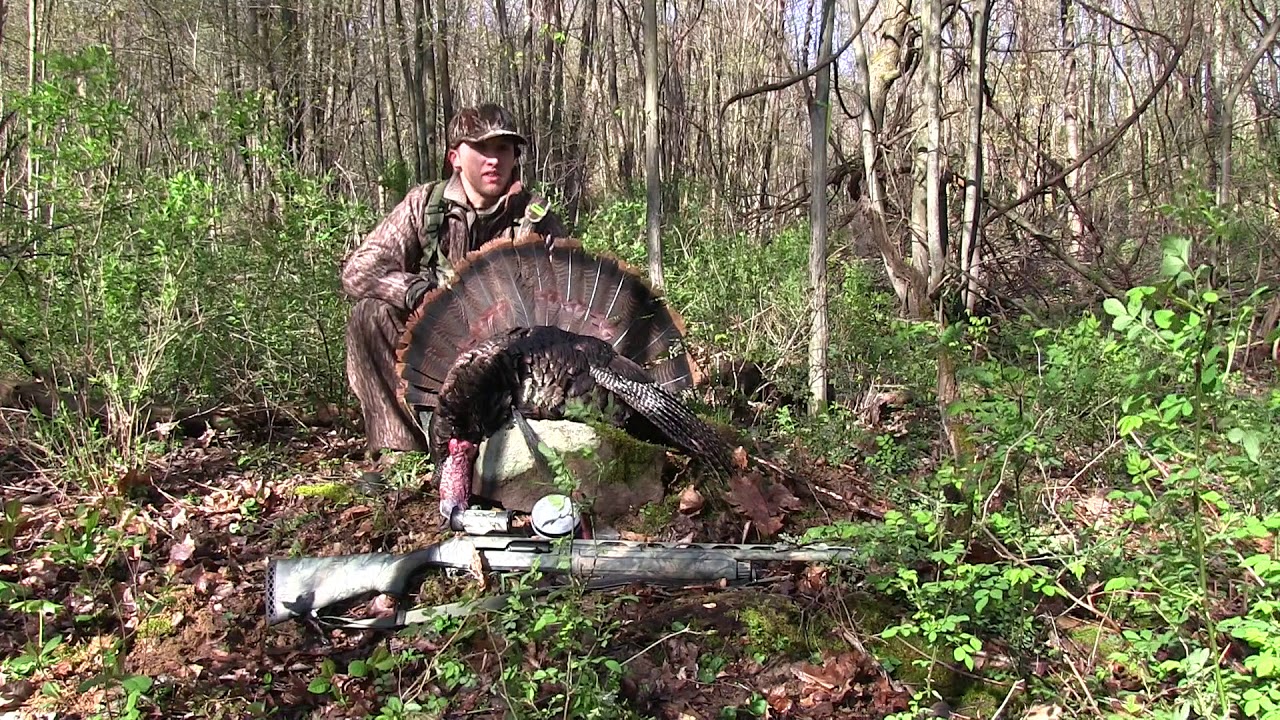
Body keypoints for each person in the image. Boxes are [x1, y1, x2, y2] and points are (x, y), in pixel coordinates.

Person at [342, 103, 569, 456]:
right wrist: (415, 291)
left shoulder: (535, 218)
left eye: (503, 149)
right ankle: (400, 451)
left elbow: (564, 298)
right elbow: (358, 271)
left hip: (507, 356)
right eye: (481, 149)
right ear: (455, 158)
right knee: (370, 314)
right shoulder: (425, 205)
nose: (493, 160)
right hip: (436, 344)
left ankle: (492, 447)